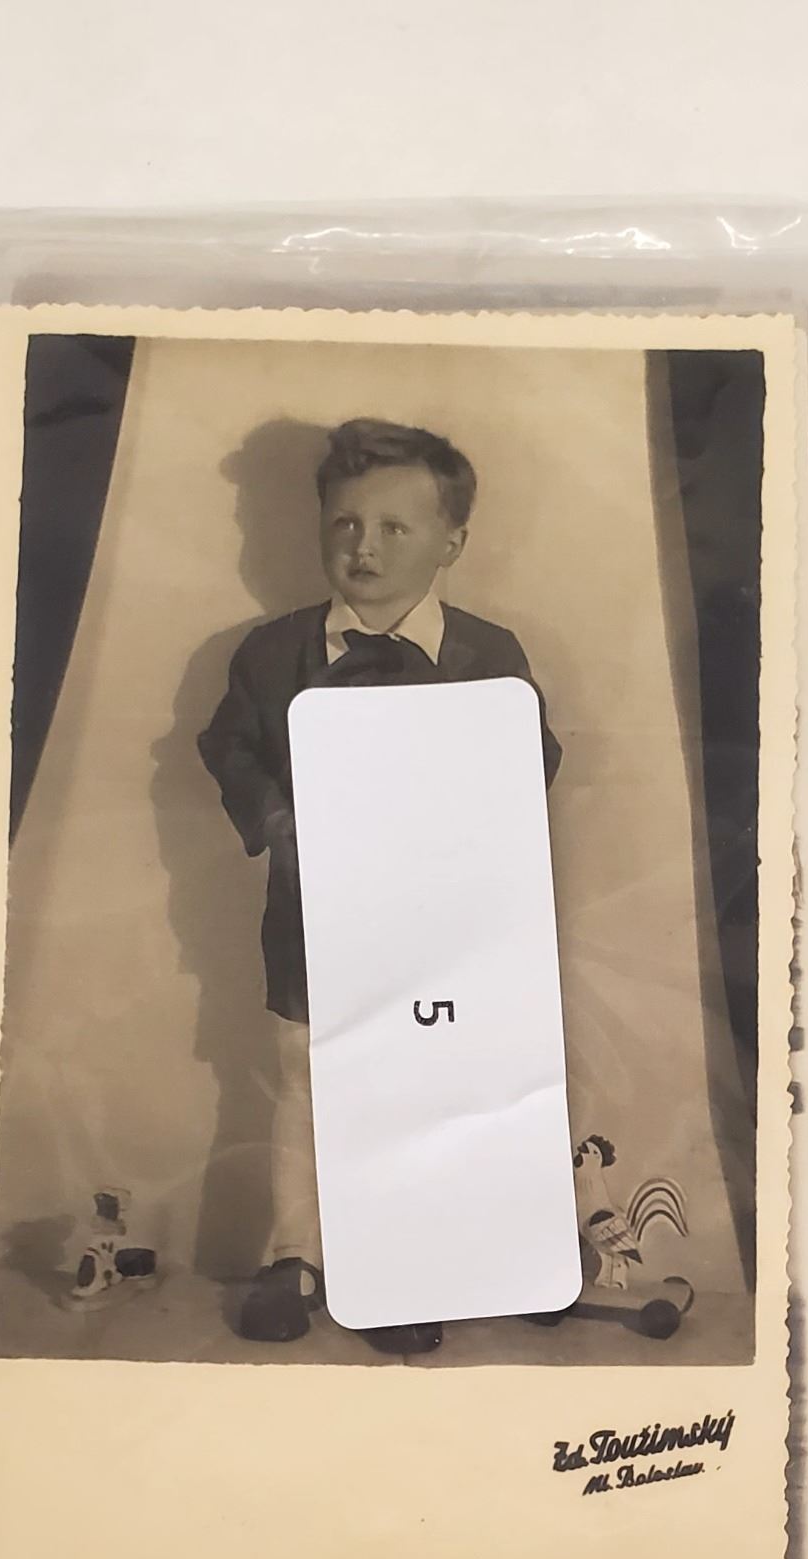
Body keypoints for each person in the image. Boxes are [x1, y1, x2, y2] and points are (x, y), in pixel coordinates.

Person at [199, 418, 560, 1354]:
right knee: (305, 1080)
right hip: (314, 923)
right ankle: (297, 1256)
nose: (365, 546)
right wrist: (274, 818)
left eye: (396, 528)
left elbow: (532, 759)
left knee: (423, 1085)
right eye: (347, 523)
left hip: (438, 933)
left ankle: (410, 1255)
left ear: (452, 543)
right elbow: (228, 745)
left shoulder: (489, 654)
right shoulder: (272, 654)